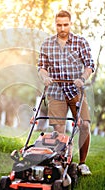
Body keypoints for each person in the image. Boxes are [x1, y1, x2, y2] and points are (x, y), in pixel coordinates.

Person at [37, 10, 95, 175]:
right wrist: (45, 77)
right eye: (59, 25)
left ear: (70, 24)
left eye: (65, 25)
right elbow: (41, 67)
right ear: (55, 24)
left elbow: (89, 65)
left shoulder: (80, 42)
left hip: (76, 90)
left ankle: (82, 163)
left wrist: (82, 79)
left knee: (84, 125)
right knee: (59, 130)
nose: (62, 28)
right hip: (56, 91)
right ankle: (60, 163)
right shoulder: (47, 44)